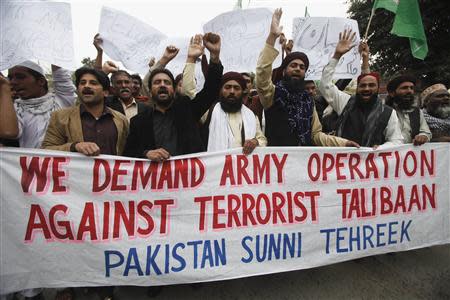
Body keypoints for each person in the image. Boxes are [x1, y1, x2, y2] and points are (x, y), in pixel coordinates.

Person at [256, 9, 358, 147]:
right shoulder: (272, 94)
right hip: (277, 163)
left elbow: (316, 135)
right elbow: (262, 75)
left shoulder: (308, 101)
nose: (298, 68)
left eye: (302, 67)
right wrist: (271, 38)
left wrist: (343, 143)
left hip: (302, 164)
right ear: (284, 70)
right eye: (293, 65)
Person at [123, 33, 223, 160]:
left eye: (167, 82)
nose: (162, 85)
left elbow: (211, 90)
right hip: (155, 178)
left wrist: (214, 56)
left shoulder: (188, 110)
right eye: (157, 82)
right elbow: (128, 154)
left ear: (173, 89)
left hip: (189, 177)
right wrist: (146, 153)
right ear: (150, 90)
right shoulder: (138, 121)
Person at [318, 29, 403, 148]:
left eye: (371, 85)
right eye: (362, 85)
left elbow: (396, 141)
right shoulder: (345, 103)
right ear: (357, 88)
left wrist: (380, 148)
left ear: (378, 88)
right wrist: (337, 55)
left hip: (373, 164)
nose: (366, 88)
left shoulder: (388, 113)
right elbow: (325, 84)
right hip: (343, 163)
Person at [42, 67, 128, 156]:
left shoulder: (121, 120)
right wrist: (74, 147)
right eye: (82, 83)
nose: (86, 86)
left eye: (93, 83)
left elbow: (126, 152)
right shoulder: (60, 117)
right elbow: (46, 149)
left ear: (105, 92)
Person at [6, 61, 76, 148]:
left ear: (41, 81)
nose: (13, 82)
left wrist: (55, 51)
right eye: (10, 78)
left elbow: (61, 76)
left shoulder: (61, 100)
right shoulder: (13, 109)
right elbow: (11, 134)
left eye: (20, 77)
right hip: (25, 161)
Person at [203, 72, 267, 154]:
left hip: (243, 165)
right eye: (227, 87)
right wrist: (191, 60)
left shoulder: (251, 116)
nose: (232, 91)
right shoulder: (210, 111)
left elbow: (262, 139)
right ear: (221, 90)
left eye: (236, 88)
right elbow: (188, 93)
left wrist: (255, 141)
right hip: (216, 165)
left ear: (242, 91)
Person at [386, 75, 431, 145]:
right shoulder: (384, 112)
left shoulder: (417, 112)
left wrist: (423, 136)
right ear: (392, 93)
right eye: (404, 88)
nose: (409, 91)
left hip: (411, 154)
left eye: (411, 88)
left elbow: (426, 132)